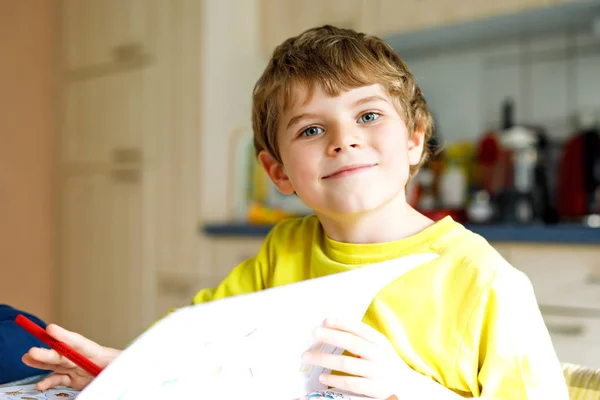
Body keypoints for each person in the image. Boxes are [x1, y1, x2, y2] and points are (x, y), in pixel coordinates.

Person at [23, 25, 569, 399]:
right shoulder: (281, 252)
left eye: (369, 115)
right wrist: (124, 368)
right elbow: (200, 352)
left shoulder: (485, 283)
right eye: (311, 129)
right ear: (279, 171)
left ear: (415, 141)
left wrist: (408, 386)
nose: (344, 140)